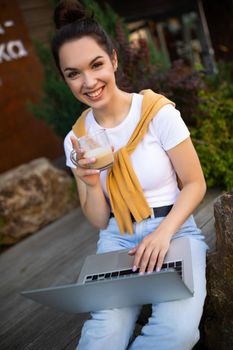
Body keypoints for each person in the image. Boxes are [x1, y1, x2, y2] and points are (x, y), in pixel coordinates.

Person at [51, 1, 208, 349]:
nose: (88, 82)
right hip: (117, 238)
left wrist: (163, 234)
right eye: (73, 73)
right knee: (106, 330)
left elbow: (196, 184)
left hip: (175, 230)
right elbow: (97, 219)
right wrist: (91, 184)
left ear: (114, 60)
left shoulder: (156, 112)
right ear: (64, 79)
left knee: (178, 332)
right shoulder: (76, 139)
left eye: (96, 65)